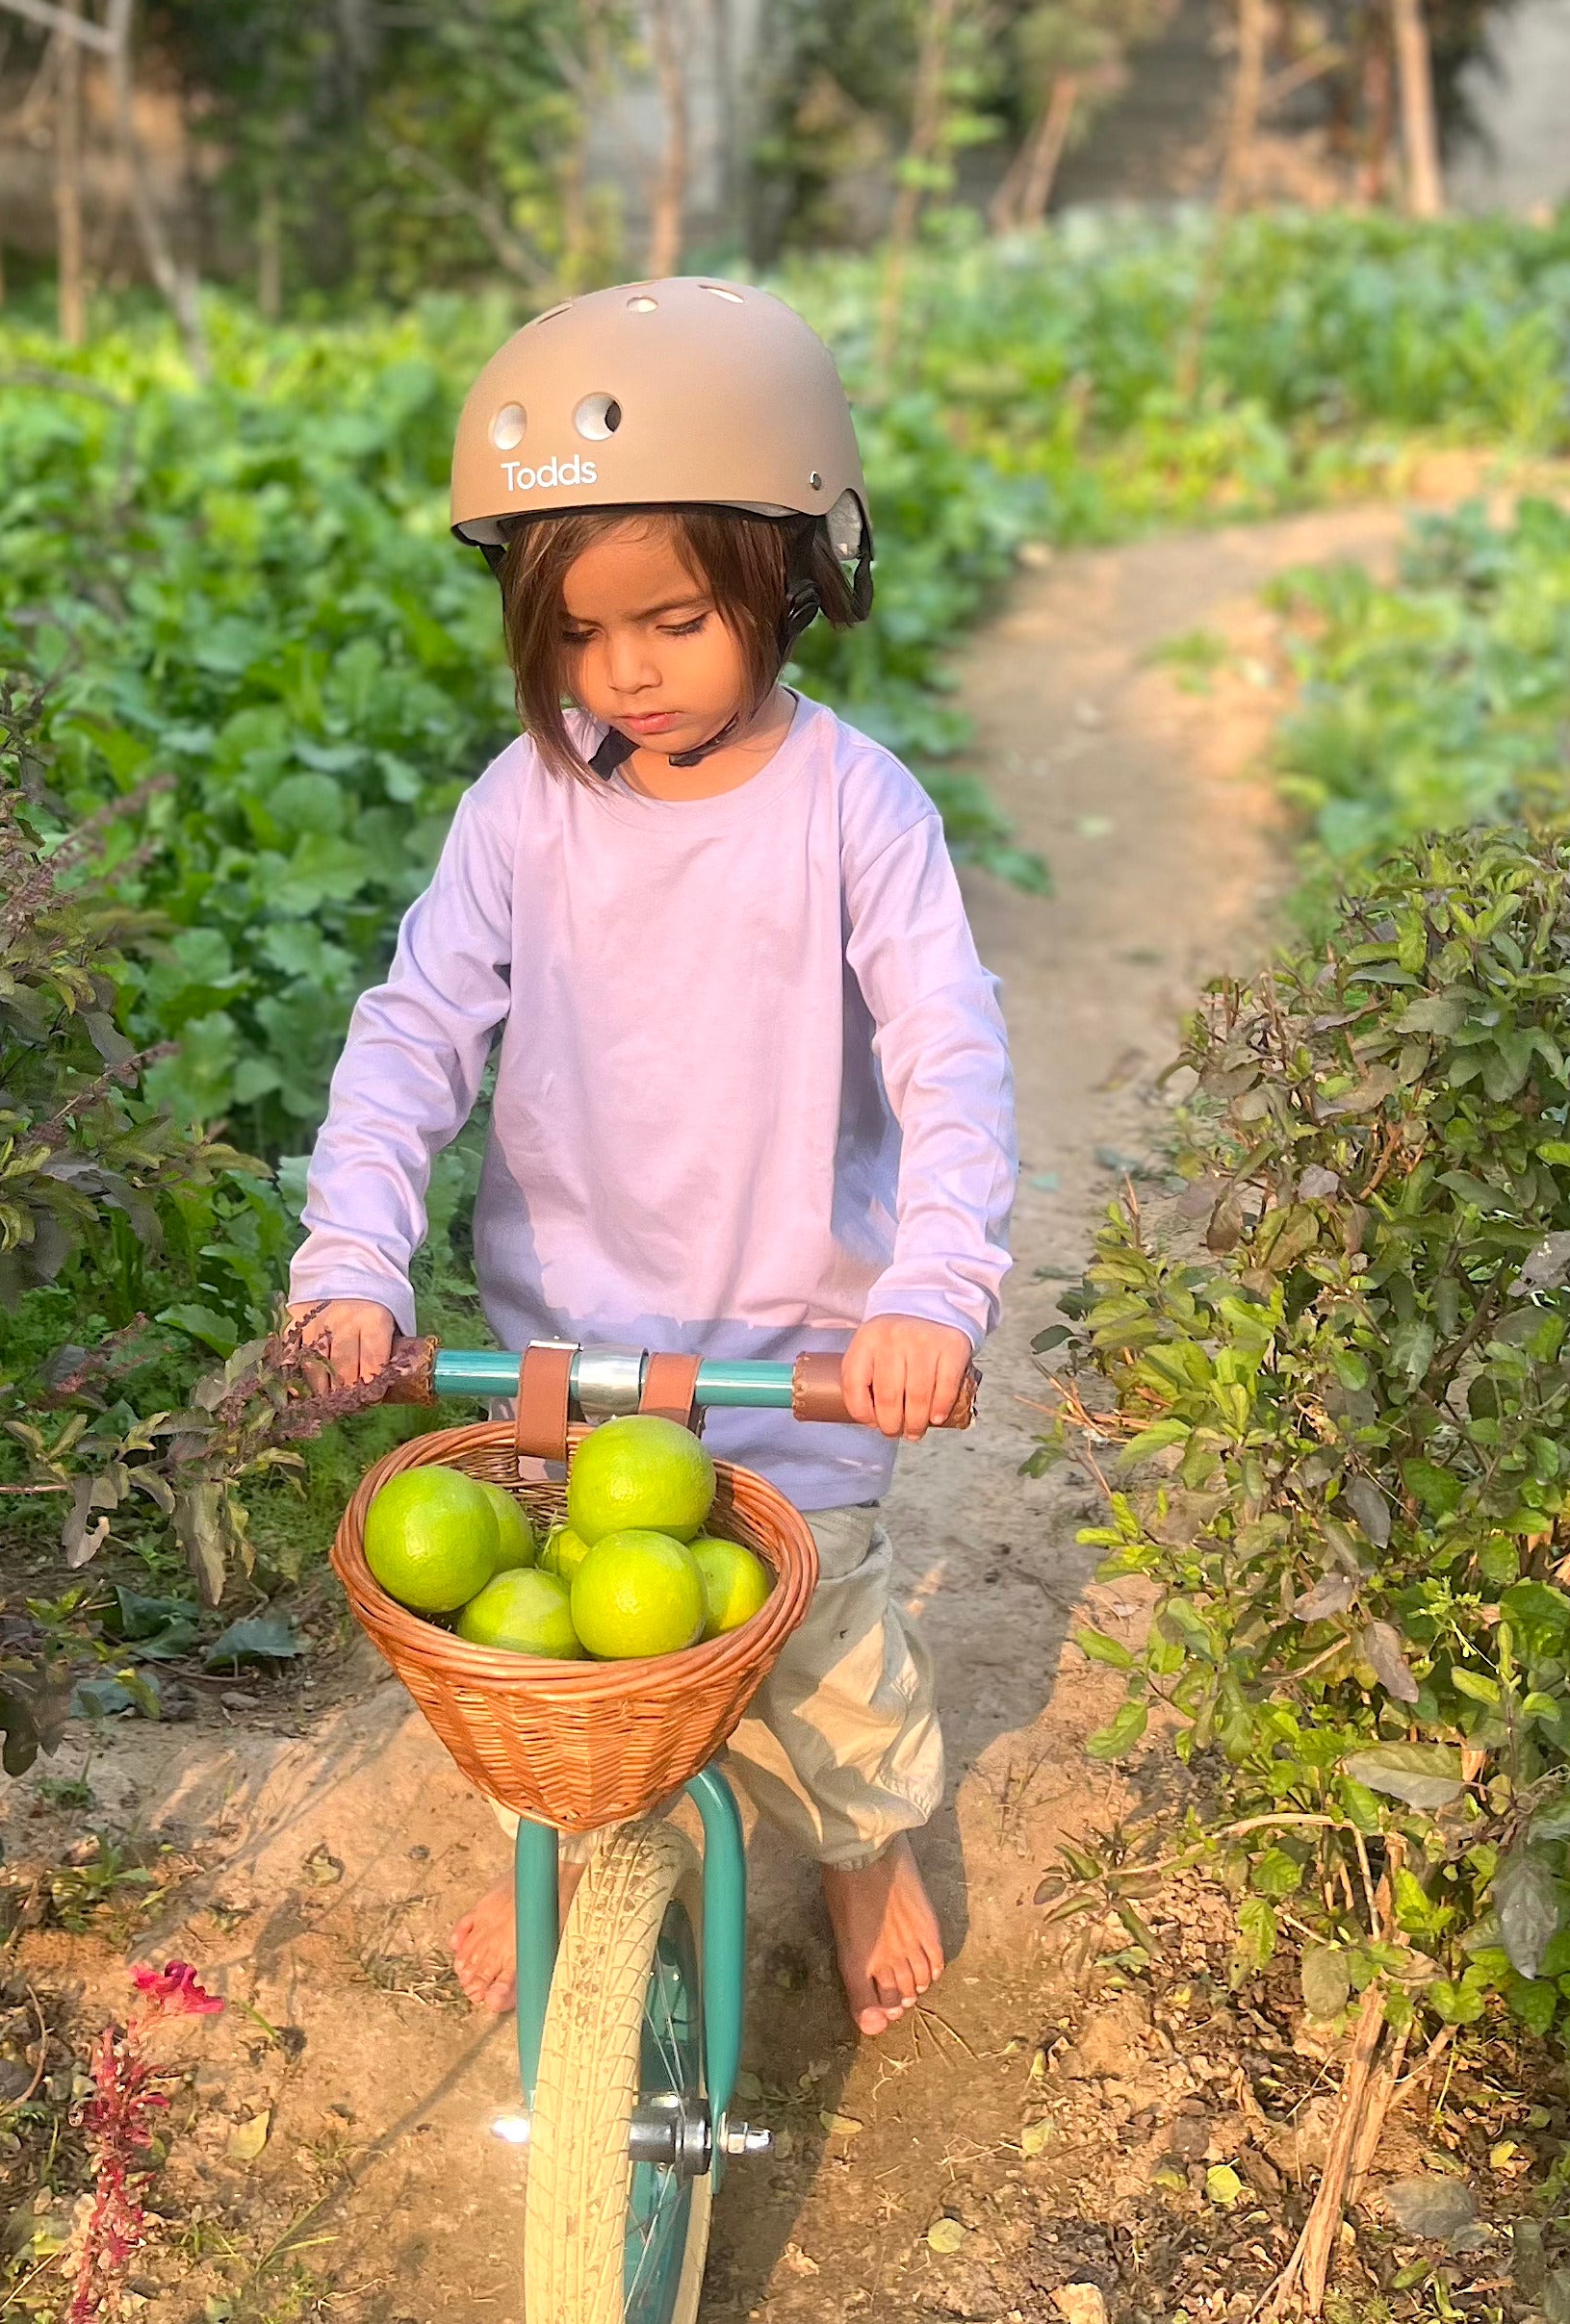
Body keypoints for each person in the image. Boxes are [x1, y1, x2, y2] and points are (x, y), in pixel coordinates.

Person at [278, 276, 1017, 2038]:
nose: (623, 675)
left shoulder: (855, 806)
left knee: (829, 1658)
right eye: (578, 636)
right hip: (570, 1359)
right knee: (563, 1659)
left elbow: (950, 1054)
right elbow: (412, 1037)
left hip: (796, 1358)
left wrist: (931, 1289)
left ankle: (858, 1855)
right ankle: (548, 1852)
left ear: (790, 573)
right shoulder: (522, 808)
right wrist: (352, 1261)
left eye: (674, 618)